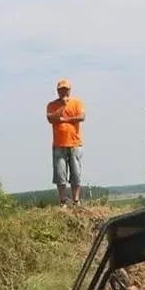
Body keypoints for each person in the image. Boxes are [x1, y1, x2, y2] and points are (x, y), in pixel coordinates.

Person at [46, 78, 86, 207]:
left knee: (76, 174)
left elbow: (81, 117)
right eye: (61, 89)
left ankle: (75, 200)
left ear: (70, 90)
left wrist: (66, 119)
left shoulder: (77, 102)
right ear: (57, 91)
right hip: (59, 144)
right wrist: (62, 106)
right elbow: (51, 118)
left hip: (75, 143)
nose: (63, 91)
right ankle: (62, 201)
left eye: (65, 89)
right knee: (60, 174)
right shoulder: (51, 105)